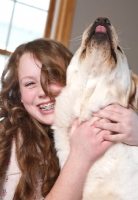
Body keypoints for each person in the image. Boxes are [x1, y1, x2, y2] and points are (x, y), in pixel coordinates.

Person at [0, 38, 138, 200]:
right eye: (30, 83)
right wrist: (80, 157)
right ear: (19, 95)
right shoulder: (11, 144)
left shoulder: (95, 125)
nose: (43, 91)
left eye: (52, 76)